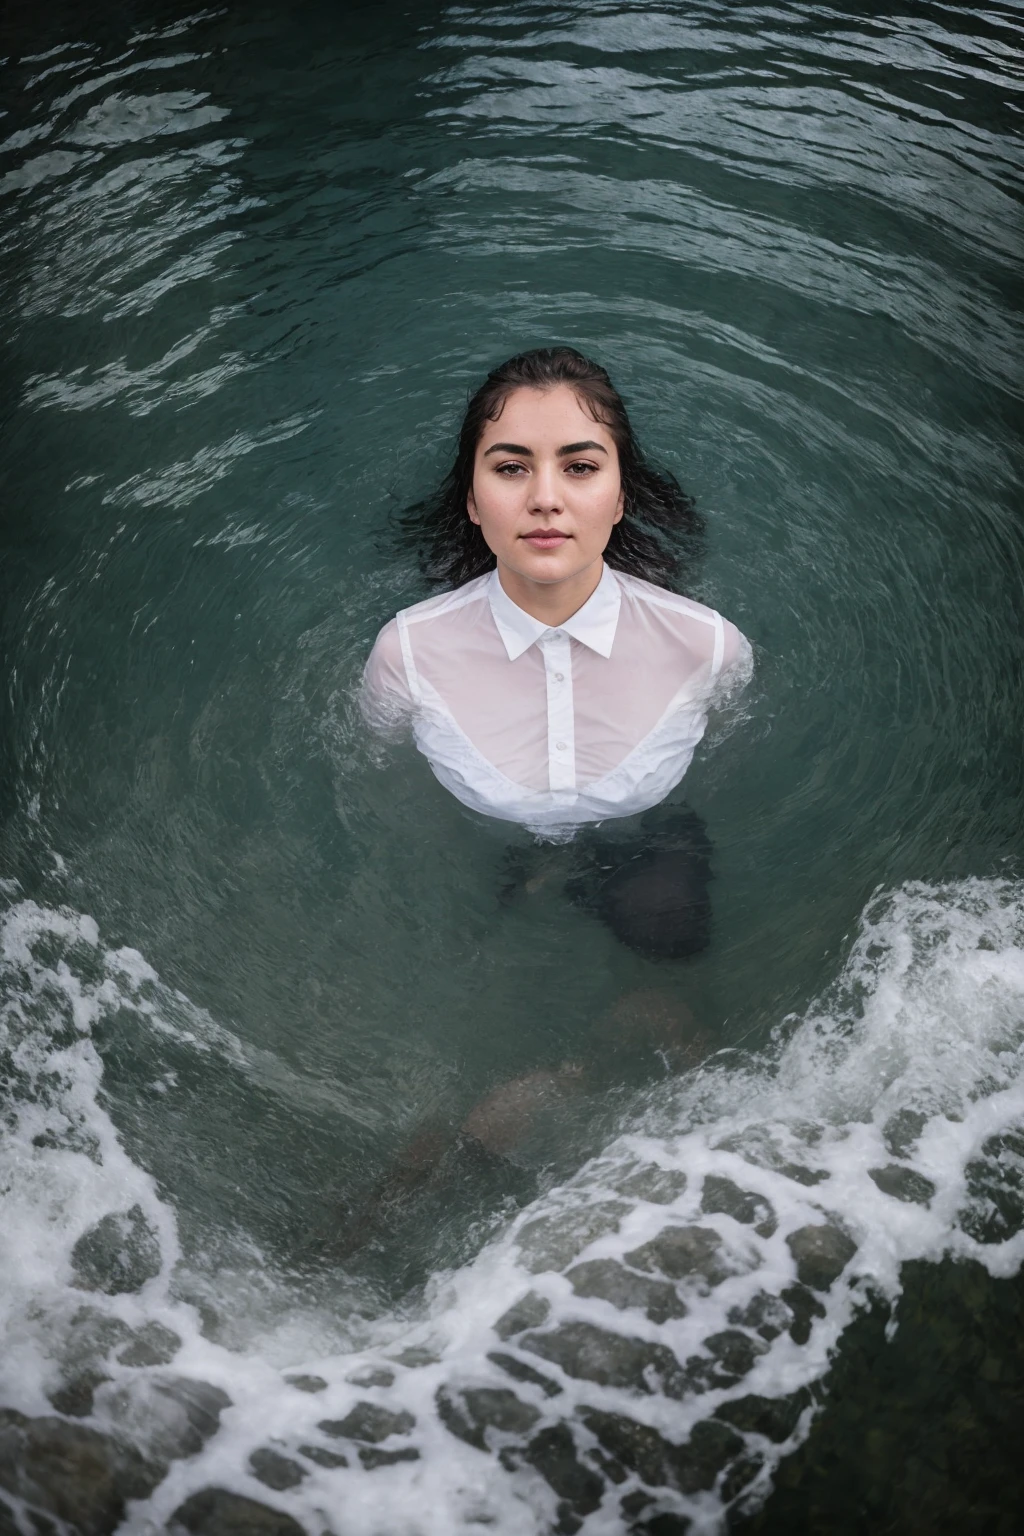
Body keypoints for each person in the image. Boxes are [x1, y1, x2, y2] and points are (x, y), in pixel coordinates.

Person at [356, 346, 750, 1184]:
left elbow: (725, 765)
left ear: (621, 494)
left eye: (579, 465)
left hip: (644, 839)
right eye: (510, 467)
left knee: (674, 951)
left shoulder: (707, 647)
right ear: (471, 498)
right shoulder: (408, 654)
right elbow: (377, 787)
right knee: (459, 1022)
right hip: (485, 847)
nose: (544, 497)